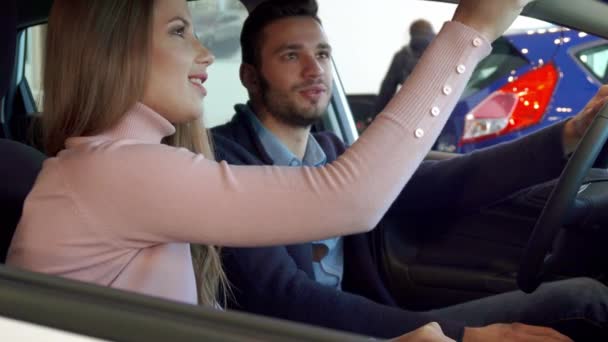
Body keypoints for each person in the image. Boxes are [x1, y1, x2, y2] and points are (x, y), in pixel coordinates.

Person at [5, 0, 551, 341]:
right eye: (178, 31)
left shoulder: (106, 167)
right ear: (112, 50)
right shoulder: (114, 172)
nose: (200, 52)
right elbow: (351, 200)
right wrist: (469, 30)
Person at [211, 0, 608, 341]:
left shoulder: (331, 153)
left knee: (583, 297)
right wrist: (463, 336)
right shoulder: (224, 163)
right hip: (301, 333)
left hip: (366, 321)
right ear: (249, 77)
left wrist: (568, 135)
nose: (314, 69)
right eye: (290, 55)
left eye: (322, 54)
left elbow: (442, 184)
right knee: (583, 305)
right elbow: (282, 297)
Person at [375, 19, 436, 114]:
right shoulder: (442, 54)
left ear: (411, 34)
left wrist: (374, 117)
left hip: (411, 113)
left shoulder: (402, 57)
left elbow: (386, 91)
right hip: (442, 112)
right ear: (432, 32)